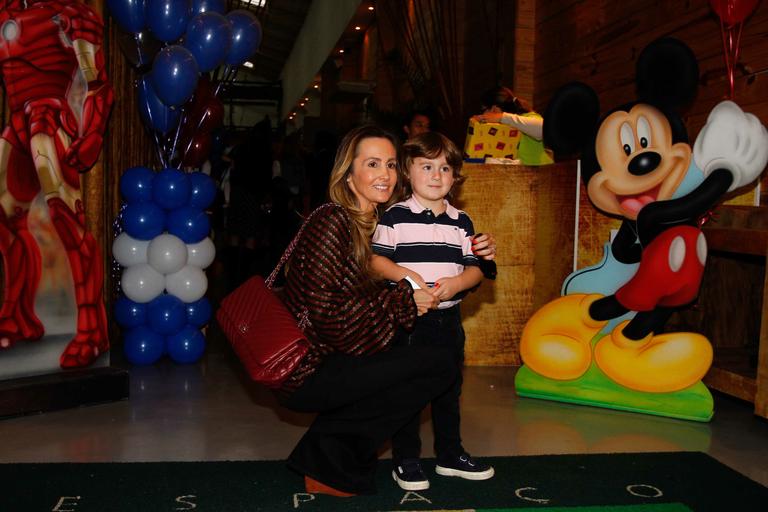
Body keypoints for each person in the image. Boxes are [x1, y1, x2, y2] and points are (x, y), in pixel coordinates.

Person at [276, 125, 497, 496]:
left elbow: (451, 270)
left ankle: (327, 455)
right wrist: (405, 300)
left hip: (332, 357)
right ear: (349, 174)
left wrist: (480, 261)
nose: (384, 174)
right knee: (428, 365)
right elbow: (332, 320)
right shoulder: (333, 223)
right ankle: (330, 461)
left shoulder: (369, 225)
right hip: (308, 366)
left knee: (431, 364)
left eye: (391, 164)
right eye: (373, 163)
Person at [371, 131, 495, 491]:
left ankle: (450, 455)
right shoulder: (394, 217)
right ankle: (406, 459)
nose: (437, 175)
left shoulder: (462, 221)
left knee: (448, 390)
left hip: (448, 322)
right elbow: (376, 262)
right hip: (410, 322)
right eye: (427, 166)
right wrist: (408, 283)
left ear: (456, 176)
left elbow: (475, 268)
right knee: (408, 392)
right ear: (408, 171)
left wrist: (456, 285)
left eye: (445, 168)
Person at [472, 86, 553, 165]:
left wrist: (502, 117)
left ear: (494, 108)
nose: (483, 114)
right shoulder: (496, 129)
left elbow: (544, 129)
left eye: (483, 110)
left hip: (544, 173)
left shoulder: (527, 116)